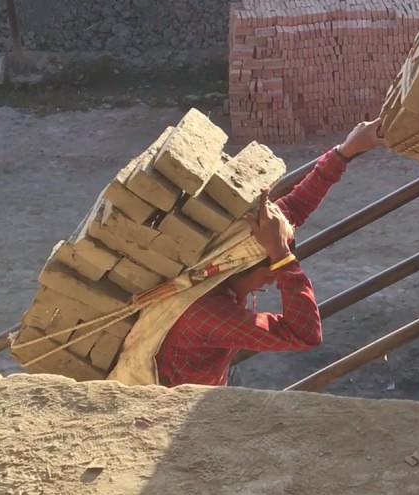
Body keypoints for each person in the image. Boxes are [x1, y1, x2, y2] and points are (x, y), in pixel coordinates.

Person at [153, 119, 384, 387]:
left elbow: (293, 210)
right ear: (240, 265)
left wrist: (346, 151)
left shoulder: (220, 250)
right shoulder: (207, 313)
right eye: (270, 271)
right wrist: (283, 258)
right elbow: (305, 334)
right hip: (179, 408)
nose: (274, 280)